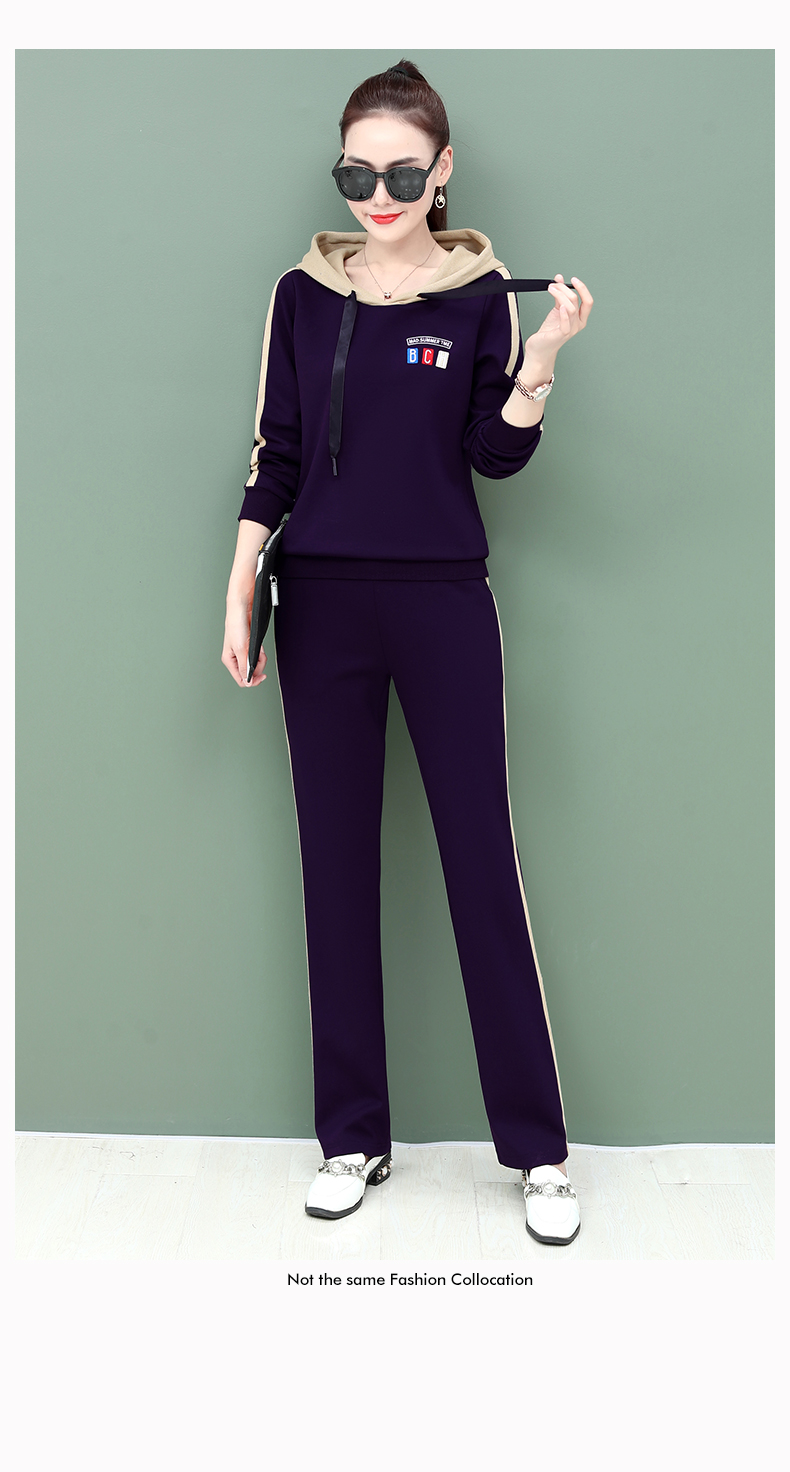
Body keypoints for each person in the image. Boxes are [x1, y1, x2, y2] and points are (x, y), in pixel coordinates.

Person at [222, 60, 593, 1246]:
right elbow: (275, 454)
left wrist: (541, 361)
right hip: (321, 603)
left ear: (442, 173)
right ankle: (352, 1137)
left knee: (481, 862)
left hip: (442, 603)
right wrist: (240, 585)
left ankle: (536, 1151)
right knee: (333, 868)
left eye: (400, 174)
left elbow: (493, 455)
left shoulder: (480, 294)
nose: (377, 196)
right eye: (356, 174)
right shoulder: (300, 293)